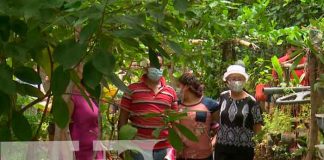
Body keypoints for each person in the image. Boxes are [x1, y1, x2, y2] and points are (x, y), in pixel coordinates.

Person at [118, 56, 178, 160]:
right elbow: (123, 118)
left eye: (158, 65)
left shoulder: (170, 92)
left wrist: (175, 147)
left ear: (162, 66)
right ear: (146, 67)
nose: (156, 68)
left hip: (164, 149)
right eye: (152, 65)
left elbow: (175, 121)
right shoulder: (132, 89)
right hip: (138, 149)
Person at [214, 64, 263, 160]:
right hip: (222, 149)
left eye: (239, 78)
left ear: (244, 80)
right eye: (233, 78)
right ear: (227, 80)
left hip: (243, 150)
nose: (236, 81)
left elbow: (258, 128)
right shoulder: (222, 97)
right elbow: (218, 120)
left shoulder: (251, 102)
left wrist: (258, 149)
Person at [54, 62, 103, 160]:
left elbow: (94, 124)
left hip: (95, 151)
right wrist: (66, 156)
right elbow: (63, 128)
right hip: (80, 153)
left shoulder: (88, 92)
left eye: (81, 65)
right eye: (77, 65)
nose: (80, 68)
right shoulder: (70, 95)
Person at [176, 73, 213, 160]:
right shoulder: (177, 105)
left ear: (186, 87)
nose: (177, 89)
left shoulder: (210, 104)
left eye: (179, 86)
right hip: (183, 156)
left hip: (205, 156)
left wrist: (213, 142)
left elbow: (221, 126)